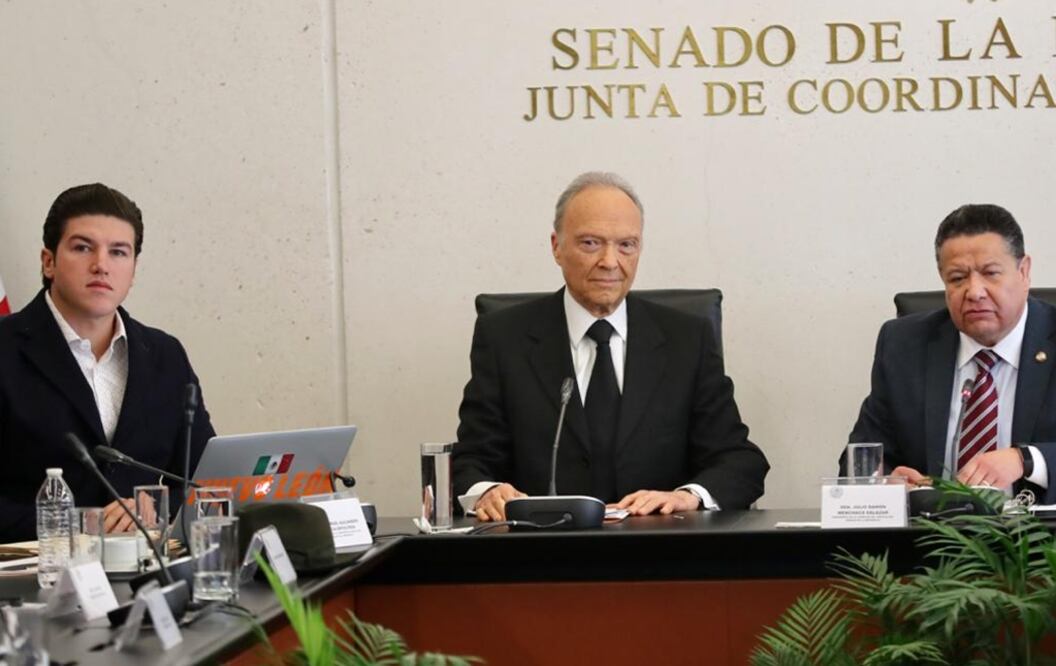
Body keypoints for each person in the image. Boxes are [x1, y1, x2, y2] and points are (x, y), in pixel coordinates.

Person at [452, 172, 769, 521]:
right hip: (540, 555)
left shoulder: (686, 338)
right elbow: (471, 461)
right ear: (556, 246)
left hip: (662, 552)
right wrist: (487, 492)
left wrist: (687, 496)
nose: (609, 261)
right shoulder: (504, 337)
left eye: (626, 245)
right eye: (590, 243)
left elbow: (740, 460)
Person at [0, 183, 215, 541]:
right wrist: (79, 524)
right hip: (30, 582)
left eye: (118, 252)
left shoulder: (165, 355)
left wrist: (158, 509)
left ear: (133, 268)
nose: (101, 265)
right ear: (49, 262)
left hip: (151, 576)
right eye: (83, 248)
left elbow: (204, 479)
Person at [848, 203, 1056, 500]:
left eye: (991, 273)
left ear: (1023, 272)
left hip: (1042, 542)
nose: (974, 292)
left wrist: (1028, 460)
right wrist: (885, 483)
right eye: (958, 278)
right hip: (932, 541)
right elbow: (859, 460)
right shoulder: (904, 346)